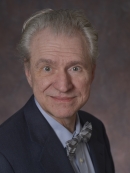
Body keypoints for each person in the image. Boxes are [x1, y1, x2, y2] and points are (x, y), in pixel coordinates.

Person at [0, 9, 115, 173]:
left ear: (92, 72)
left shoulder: (96, 129)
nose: (63, 86)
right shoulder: (3, 153)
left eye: (75, 68)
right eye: (47, 68)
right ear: (28, 72)